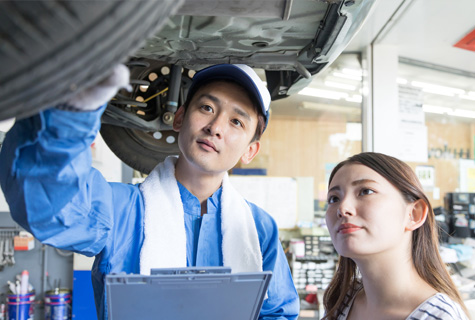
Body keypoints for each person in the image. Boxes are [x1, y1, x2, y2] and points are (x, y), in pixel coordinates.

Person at [0, 64, 299, 319]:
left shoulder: (260, 229)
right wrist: (70, 114)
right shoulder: (122, 209)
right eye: (207, 107)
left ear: (250, 150)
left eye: (236, 121)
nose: (216, 127)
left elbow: (279, 312)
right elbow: (46, 200)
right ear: (179, 117)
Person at [323, 152, 469, 320]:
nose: (343, 208)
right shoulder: (342, 302)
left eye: (366, 191)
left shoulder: (440, 316)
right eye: (334, 199)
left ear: (414, 214)